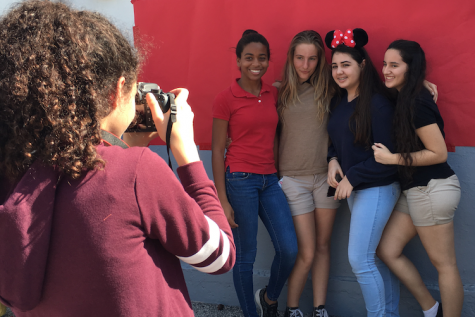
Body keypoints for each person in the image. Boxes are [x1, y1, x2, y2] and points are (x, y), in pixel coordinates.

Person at [0, 1, 235, 316]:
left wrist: (119, 145)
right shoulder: (137, 172)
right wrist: (187, 154)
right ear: (117, 89)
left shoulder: (16, 169)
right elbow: (218, 257)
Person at [211, 30, 298, 317]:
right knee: (246, 256)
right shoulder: (226, 98)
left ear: (268, 60)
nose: (255, 63)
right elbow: (217, 151)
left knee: (288, 249)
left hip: (270, 179)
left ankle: (269, 298)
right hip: (240, 181)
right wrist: (222, 201)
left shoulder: (274, 93)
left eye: (261, 58)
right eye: (249, 57)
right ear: (238, 61)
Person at [374, 40, 462, 317]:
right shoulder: (406, 95)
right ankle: (431, 308)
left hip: (432, 189)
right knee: (387, 250)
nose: (386, 70)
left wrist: (392, 158)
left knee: (445, 265)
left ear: (410, 70)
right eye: (385, 64)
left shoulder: (416, 103)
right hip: (415, 190)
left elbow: (438, 153)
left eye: (394, 65)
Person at [324, 28, 400, 317]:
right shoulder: (339, 101)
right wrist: (332, 160)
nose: (339, 72)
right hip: (357, 190)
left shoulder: (378, 104)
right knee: (372, 259)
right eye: (335, 66)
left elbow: (387, 155)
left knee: (359, 259)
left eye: (346, 65)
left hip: (378, 187)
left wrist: (353, 177)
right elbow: (336, 140)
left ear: (363, 65)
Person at [276, 30, 339, 317]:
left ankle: (319, 309)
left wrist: (416, 83)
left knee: (324, 246)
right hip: (292, 179)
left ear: (320, 61)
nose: (305, 65)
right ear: (291, 58)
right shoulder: (278, 91)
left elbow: (371, 89)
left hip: (326, 178)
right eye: (299, 58)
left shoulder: (331, 88)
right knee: (308, 251)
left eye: (312, 59)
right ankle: (291, 309)